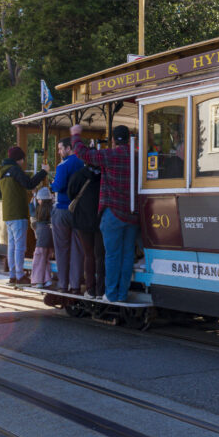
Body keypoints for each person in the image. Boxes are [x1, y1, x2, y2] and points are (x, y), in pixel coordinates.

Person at [70, 123, 138, 303]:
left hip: (113, 212)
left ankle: (111, 294)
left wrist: (76, 135)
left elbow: (83, 153)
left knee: (112, 255)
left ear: (114, 140)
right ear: (130, 137)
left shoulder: (110, 155)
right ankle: (122, 294)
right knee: (127, 255)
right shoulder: (137, 156)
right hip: (132, 213)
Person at [0, 146, 49, 285]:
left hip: (8, 213)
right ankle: (20, 276)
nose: (23, 163)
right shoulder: (15, 170)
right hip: (18, 212)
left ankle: (13, 275)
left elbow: (8, 191)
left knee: (12, 246)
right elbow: (29, 183)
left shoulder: (2, 172)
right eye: (22, 160)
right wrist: (44, 171)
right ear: (19, 159)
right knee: (20, 246)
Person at [49, 137, 84, 293]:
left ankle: (63, 284)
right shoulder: (82, 162)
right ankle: (76, 285)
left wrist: (51, 183)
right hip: (78, 210)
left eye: (60, 148)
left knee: (62, 249)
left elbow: (58, 186)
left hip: (62, 209)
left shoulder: (63, 166)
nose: (59, 151)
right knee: (78, 249)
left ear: (69, 148)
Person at [67, 164, 105, 298]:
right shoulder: (104, 175)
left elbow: (70, 194)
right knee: (100, 255)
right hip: (100, 220)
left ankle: (90, 289)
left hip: (82, 220)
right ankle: (101, 290)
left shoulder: (78, 175)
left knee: (89, 255)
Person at [30, 188, 54, 288]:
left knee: (38, 261)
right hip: (51, 242)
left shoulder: (39, 212)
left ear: (42, 200)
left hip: (41, 242)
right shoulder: (52, 210)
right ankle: (47, 280)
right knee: (45, 260)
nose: (38, 201)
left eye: (39, 199)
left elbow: (33, 219)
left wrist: (32, 201)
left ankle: (38, 281)